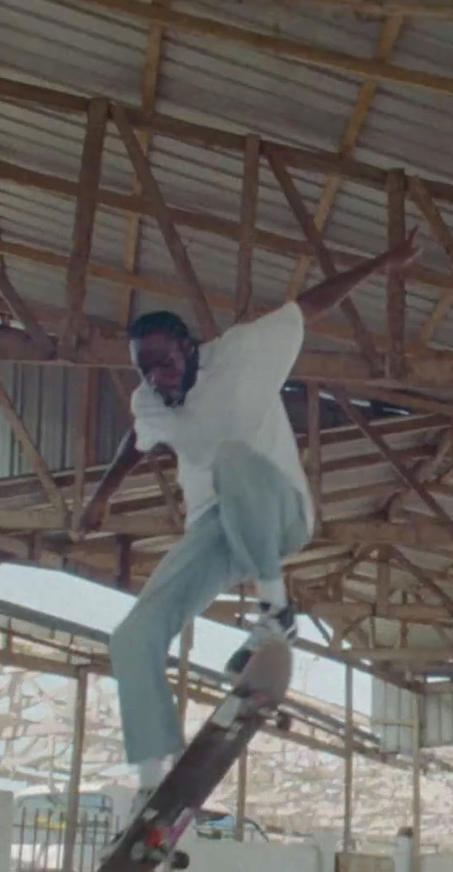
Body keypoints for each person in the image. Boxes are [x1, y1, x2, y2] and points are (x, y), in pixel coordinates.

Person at [76, 231, 420, 819]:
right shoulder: (149, 402)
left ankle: (275, 613)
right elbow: (136, 447)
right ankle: (152, 782)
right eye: (145, 368)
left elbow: (309, 304)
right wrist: (101, 498)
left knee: (232, 457)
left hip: (278, 512)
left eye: (165, 361)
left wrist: (381, 262)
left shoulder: (241, 350)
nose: (158, 376)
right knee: (132, 636)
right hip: (216, 534)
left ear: (189, 347)